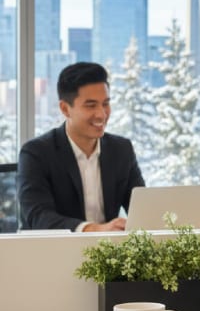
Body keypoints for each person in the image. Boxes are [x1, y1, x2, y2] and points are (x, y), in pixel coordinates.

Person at [18, 62, 144, 231]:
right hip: (53, 252)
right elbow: (38, 217)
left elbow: (142, 210)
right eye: (91, 105)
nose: (101, 114)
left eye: (105, 103)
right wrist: (94, 229)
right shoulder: (36, 153)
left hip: (109, 254)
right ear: (65, 108)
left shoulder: (121, 149)